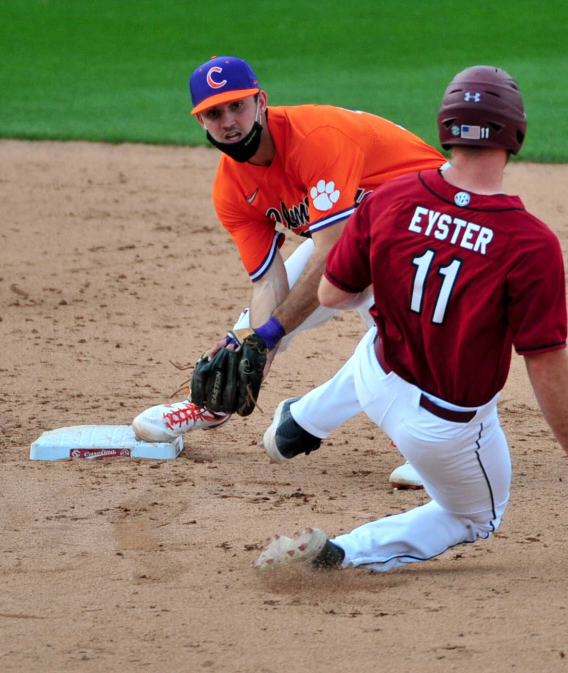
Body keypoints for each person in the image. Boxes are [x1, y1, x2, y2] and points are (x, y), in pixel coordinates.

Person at [254, 65, 568, 571]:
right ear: (515, 134)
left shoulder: (389, 197)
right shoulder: (530, 243)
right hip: (440, 428)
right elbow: (543, 361)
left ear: (446, 128)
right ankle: (346, 554)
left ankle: (304, 418)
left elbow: (332, 293)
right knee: (476, 517)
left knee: (383, 333)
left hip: (376, 375)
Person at [132, 56, 449, 488]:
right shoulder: (231, 189)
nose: (229, 122)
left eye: (237, 106)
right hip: (369, 230)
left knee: (379, 305)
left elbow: (334, 256)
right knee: (268, 322)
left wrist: (270, 336)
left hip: (439, 218)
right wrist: (251, 352)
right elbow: (268, 282)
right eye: (213, 113)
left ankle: (428, 441)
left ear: (261, 102)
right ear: (201, 123)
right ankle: (212, 404)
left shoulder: (314, 139)